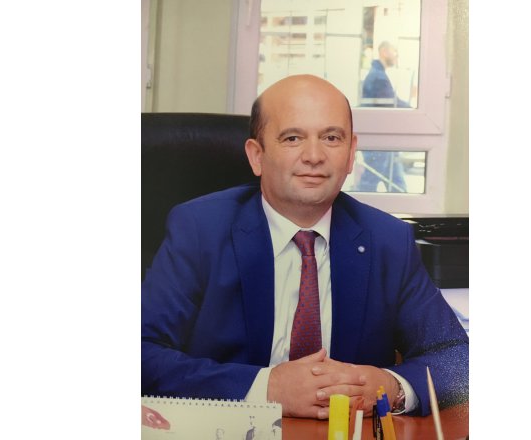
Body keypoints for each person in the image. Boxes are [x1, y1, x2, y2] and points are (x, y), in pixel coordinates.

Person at [141, 75, 468, 419]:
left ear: (351, 153)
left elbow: (458, 359)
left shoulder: (388, 240)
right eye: (293, 138)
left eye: (331, 138)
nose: (314, 156)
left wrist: (392, 385)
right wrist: (265, 389)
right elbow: (141, 352)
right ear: (256, 155)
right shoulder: (200, 230)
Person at [355, 41, 410, 193]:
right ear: (384, 52)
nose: (396, 55)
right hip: (379, 142)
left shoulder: (378, 74)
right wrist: (413, 111)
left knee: (398, 184)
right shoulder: (378, 77)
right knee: (369, 183)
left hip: (384, 142)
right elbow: (391, 102)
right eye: (394, 50)